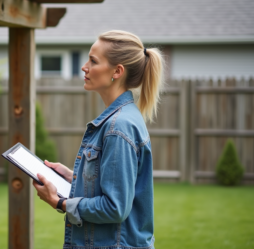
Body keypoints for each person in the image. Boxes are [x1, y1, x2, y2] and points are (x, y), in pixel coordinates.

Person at [32, 30, 164, 249]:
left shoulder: (117, 127)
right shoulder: (123, 119)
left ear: (117, 71)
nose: (84, 67)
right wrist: (75, 178)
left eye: (93, 61)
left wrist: (60, 202)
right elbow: (115, 186)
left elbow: (115, 207)